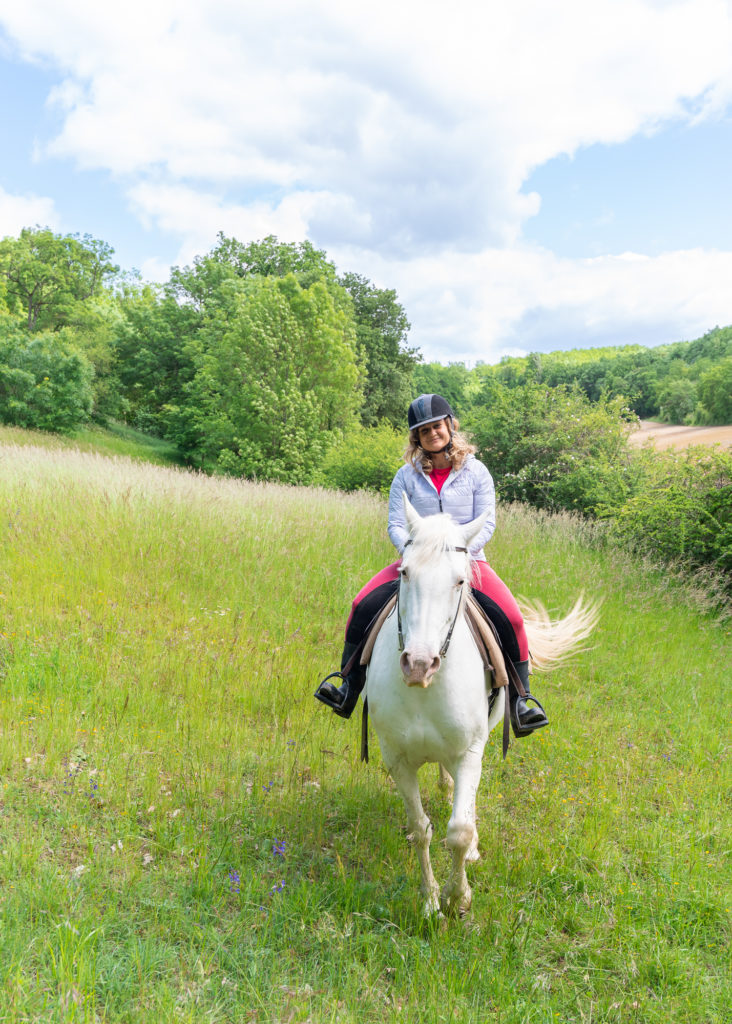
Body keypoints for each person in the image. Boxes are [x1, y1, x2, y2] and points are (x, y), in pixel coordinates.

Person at [314, 393, 548, 738]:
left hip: (467, 563)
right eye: (424, 431)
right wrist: (414, 553)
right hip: (416, 563)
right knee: (361, 605)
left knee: (511, 617)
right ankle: (347, 686)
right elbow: (396, 523)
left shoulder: (477, 472)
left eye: (437, 426)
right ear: (417, 438)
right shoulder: (404, 477)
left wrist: (457, 554)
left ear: (450, 426)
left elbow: (487, 523)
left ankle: (522, 701)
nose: (432, 434)